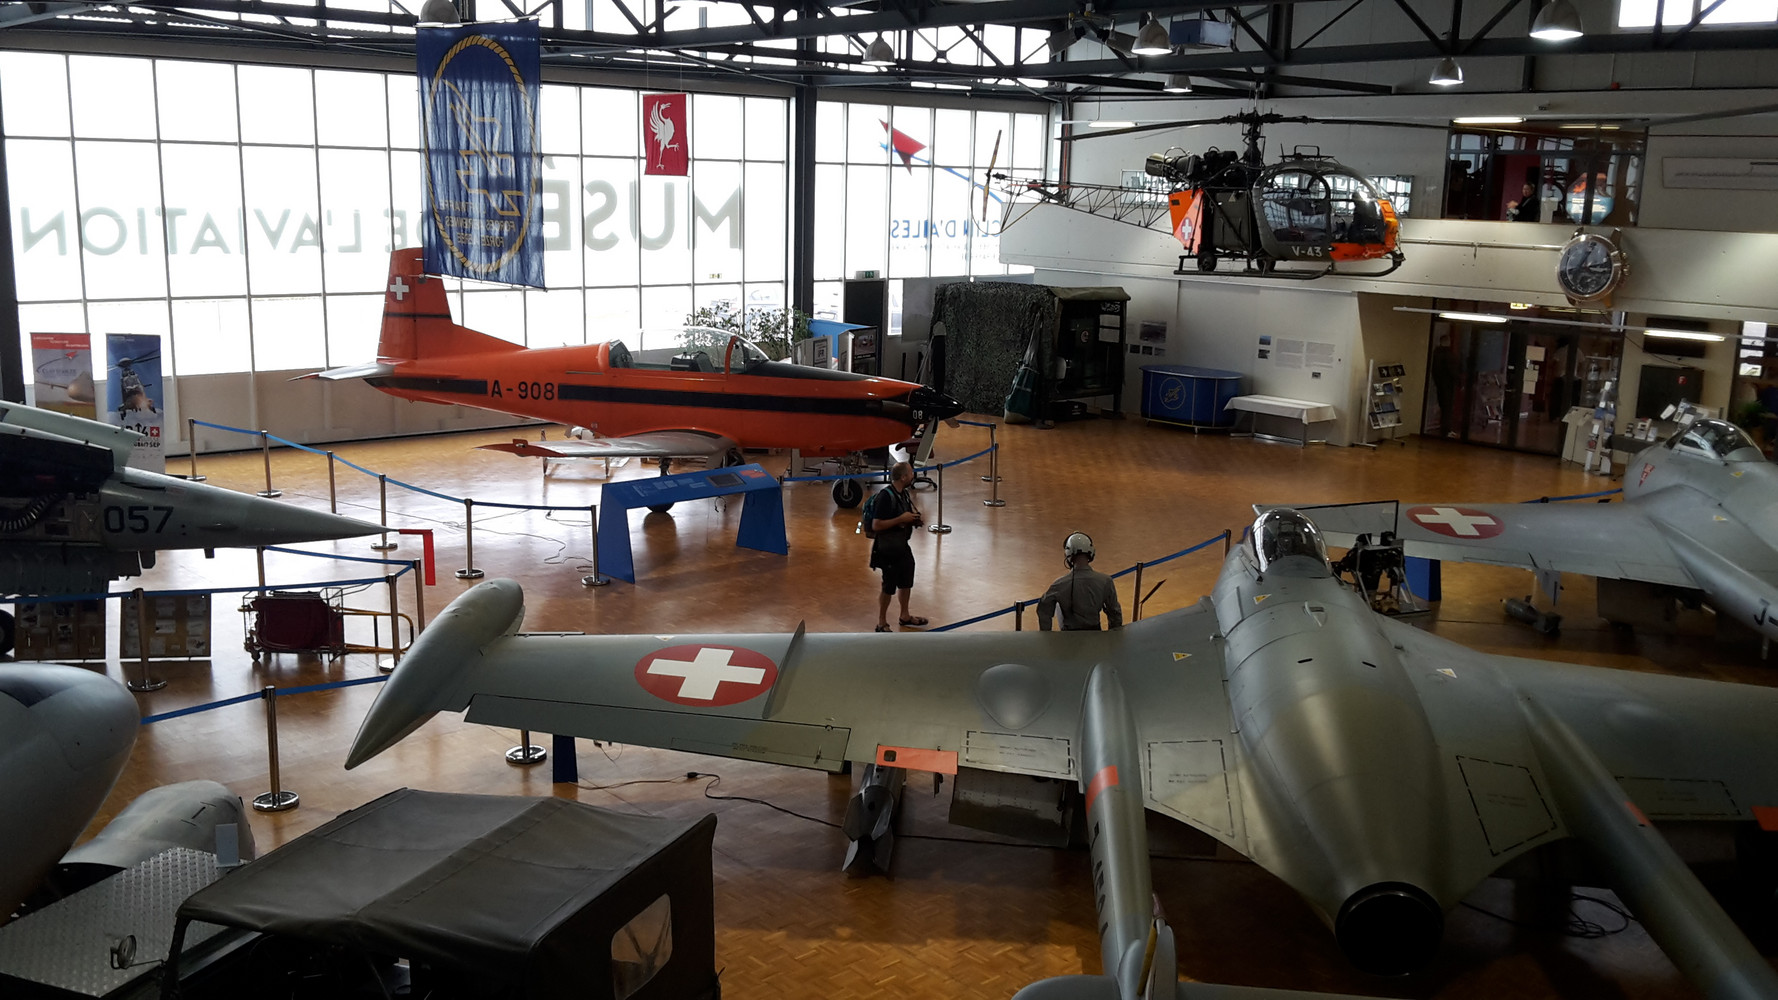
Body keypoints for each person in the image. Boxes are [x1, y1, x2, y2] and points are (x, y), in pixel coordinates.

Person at [869, 461, 928, 632]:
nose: (913, 475)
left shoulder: (904, 494)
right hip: (887, 548)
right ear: (903, 477)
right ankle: (881, 622)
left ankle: (905, 615)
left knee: (906, 580)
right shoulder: (885, 497)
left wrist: (913, 520)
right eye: (910, 473)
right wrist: (901, 519)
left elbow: (905, 516)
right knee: (888, 586)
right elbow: (876, 525)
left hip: (901, 545)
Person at [1036, 532, 1123, 631]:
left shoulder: (1059, 585)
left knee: (1058, 605)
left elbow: (1044, 610)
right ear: (1091, 553)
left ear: (1068, 554)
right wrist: (1112, 636)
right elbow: (1115, 612)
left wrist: (1047, 634)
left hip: (1068, 635)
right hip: (1095, 633)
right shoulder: (1105, 581)